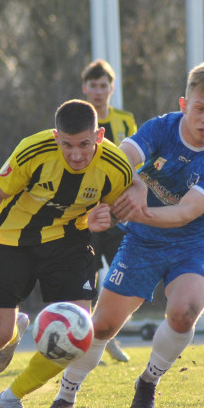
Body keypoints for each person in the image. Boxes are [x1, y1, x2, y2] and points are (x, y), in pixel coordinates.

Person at [40, 59, 204, 408]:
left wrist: (131, 211)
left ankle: (148, 381)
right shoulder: (160, 129)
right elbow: (124, 158)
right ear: (184, 105)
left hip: (195, 245)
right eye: (200, 109)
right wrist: (114, 189)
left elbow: (183, 212)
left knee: (183, 313)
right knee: (101, 326)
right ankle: (65, 398)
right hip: (143, 243)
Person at [0, 99, 133, 408]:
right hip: (12, 241)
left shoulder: (116, 166)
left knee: (79, 332)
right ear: (55, 136)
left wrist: (111, 215)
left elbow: (121, 205)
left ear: (99, 136)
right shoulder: (32, 152)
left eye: (84, 145)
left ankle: (10, 399)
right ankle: (15, 329)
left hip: (69, 243)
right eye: (67, 145)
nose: (76, 154)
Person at [81, 59, 138, 364]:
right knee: (85, 280)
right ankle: (86, 339)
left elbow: (137, 163)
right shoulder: (77, 119)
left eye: (104, 85)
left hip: (118, 215)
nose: (99, 91)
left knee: (123, 274)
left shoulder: (125, 121)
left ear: (111, 88)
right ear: (85, 88)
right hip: (87, 216)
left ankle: (108, 334)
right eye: (93, 85)